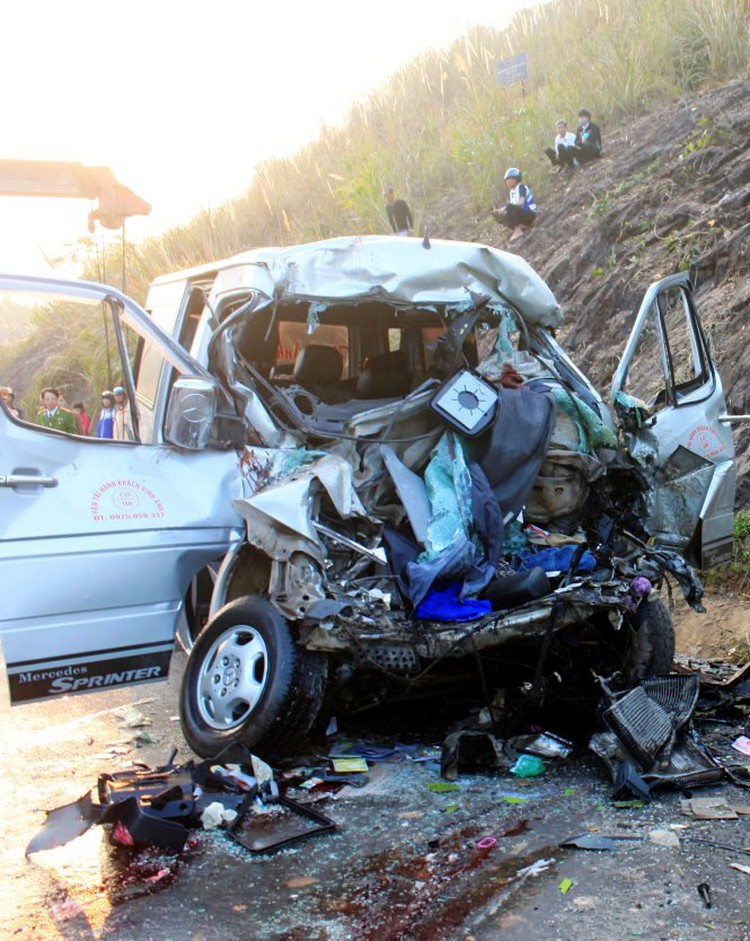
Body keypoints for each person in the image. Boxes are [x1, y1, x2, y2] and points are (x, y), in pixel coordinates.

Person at [491, 168, 537, 243]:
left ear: (514, 179)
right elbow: (512, 207)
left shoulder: (521, 187)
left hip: (529, 212)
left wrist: (506, 208)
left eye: (508, 179)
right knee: (499, 215)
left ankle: (518, 231)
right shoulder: (512, 192)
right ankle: (521, 226)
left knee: (509, 207)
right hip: (522, 213)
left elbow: (521, 202)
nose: (506, 182)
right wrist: (500, 211)